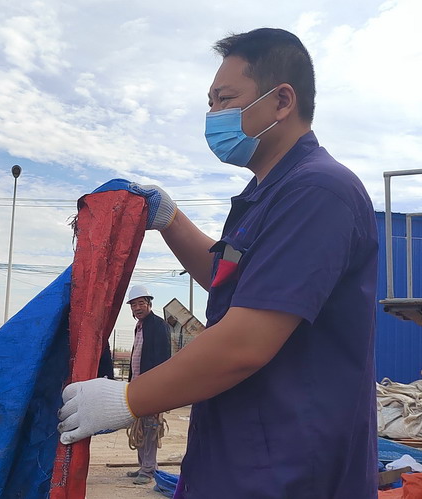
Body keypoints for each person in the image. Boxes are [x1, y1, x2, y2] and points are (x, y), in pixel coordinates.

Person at [58, 27, 378, 498]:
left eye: (225, 100)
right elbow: (228, 280)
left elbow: (245, 342)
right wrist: (170, 220)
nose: (213, 116)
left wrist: (127, 397)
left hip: (290, 468)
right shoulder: (264, 195)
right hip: (238, 455)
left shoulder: (318, 192)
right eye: (209, 103)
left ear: (281, 101)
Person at [124, 285, 171, 485]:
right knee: (140, 427)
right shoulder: (139, 327)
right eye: (133, 305)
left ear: (149, 304)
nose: (137, 308)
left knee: (151, 427)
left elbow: (163, 359)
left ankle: (148, 470)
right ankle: (144, 465)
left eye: (141, 303)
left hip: (151, 387)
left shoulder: (159, 326)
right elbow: (136, 357)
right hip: (137, 386)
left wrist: (158, 387)